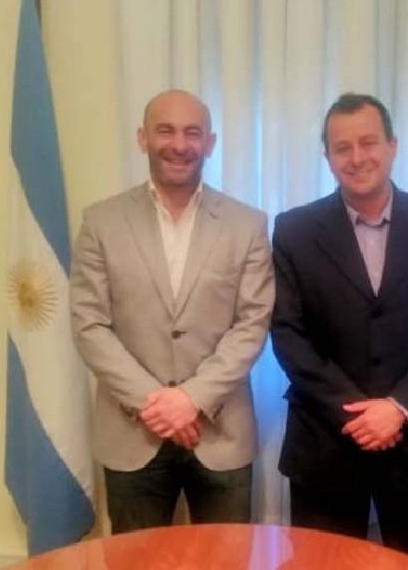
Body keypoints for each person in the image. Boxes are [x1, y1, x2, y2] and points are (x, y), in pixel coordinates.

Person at [270, 93, 408, 569]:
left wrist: (399, 407)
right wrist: (359, 416)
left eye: (368, 142)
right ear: (327, 157)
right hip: (326, 443)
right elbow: (287, 333)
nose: (357, 157)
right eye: (341, 147)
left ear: (392, 145)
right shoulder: (294, 230)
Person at [70, 89, 275, 533]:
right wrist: (157, 404)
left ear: (210, 143)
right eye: (165, 131)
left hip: (222, 434)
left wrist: (191, 400)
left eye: (192, 133)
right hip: (131, 434)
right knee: (137, 562)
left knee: (225, 563)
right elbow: (90, 324)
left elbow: (253, 323)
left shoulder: (248, 225)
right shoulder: (100, 222)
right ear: (142, 138)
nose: (179, 144)